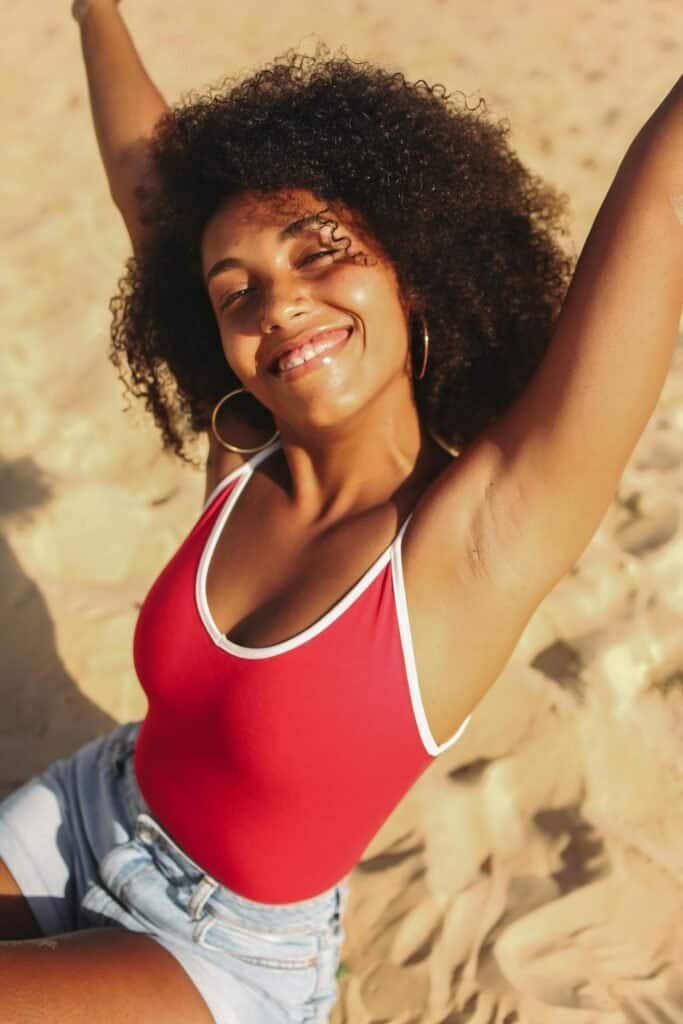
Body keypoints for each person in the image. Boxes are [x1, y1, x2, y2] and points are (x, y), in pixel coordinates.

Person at [0, 0, 681, 1020]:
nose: (277, 303)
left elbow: (661, 208)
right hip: (90, 811)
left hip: (222, 955)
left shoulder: (477, 537)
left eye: (319, 253)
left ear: (410, 274)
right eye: (238, 290)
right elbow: (152, 182)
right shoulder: (243, 451)